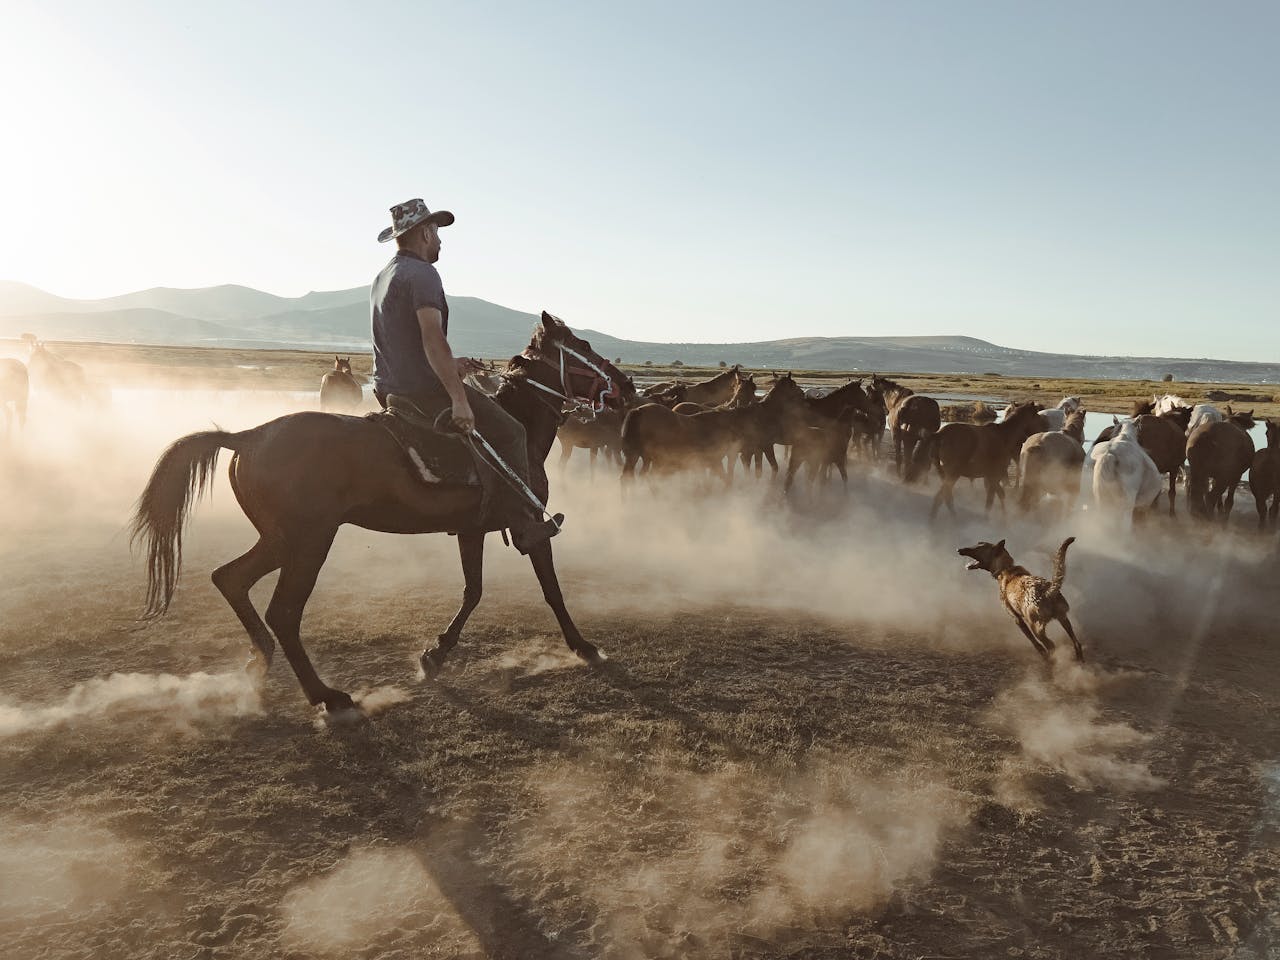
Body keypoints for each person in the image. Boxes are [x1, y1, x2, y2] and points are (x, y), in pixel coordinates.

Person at [370, 198, 562, 552]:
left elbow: (403, 341)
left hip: (389, 388)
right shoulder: (424, 273)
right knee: (512, 431)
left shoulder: (385, 275)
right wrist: (459, 399)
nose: (441, 241)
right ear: (425, 233)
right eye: (437, 233)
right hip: (422, 391)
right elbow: (431, 336)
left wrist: (454, 364)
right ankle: (524, 525)